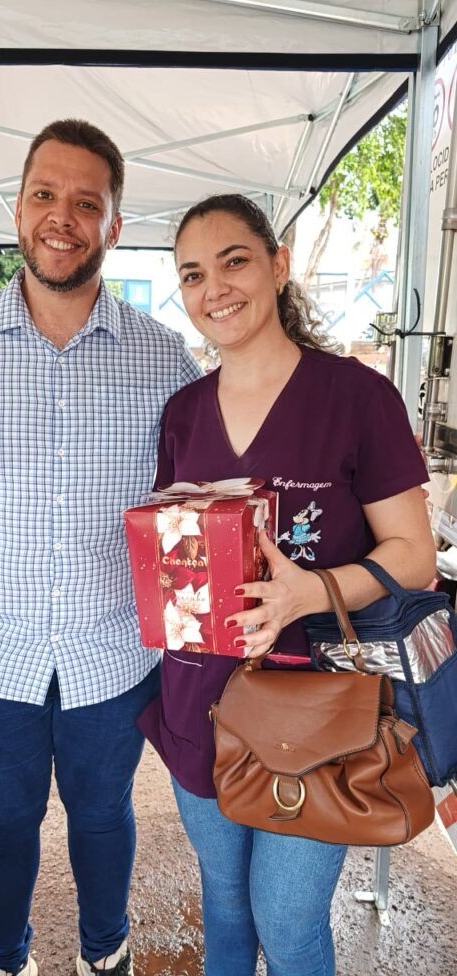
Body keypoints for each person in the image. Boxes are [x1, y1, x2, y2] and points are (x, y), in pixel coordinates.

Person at [0, 119, 200, 976]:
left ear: (114, 226)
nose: (63, 217)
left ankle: (105, 954)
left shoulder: (163, 357)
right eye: (45, 195)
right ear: (17, 208)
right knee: (2, 819)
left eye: (87, 203)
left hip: (115, 655)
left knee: (102, 815)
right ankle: (2, 960)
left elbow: (193, 502)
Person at [138, 193, 436, 976]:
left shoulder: (356, 398)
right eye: (192, 274)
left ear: (278, 266)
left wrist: (311, 592)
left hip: (317, 713)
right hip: (198, 702)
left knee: (288, 920)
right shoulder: (183, 413)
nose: (214, 289)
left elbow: (414, 556)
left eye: (234, 261)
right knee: (225, 904)